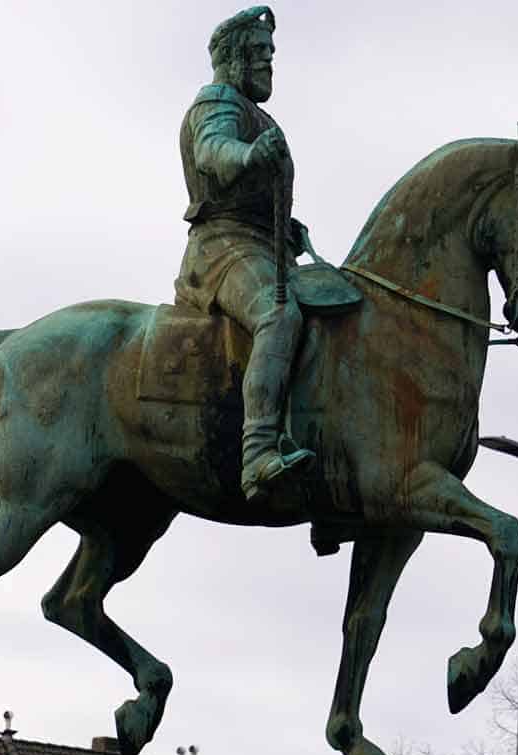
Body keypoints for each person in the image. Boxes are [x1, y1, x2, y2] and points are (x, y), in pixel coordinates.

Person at [175, 6, 317, 501]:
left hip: (262, 247)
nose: (268, 63)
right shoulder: (216, 101)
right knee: (278, 314)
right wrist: (250, 155)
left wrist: (285, 226)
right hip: (220, 250)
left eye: (270, 55)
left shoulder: (258, 113)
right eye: (259, 54)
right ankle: (257, 454)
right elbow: (214, 153)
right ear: (232, 58)